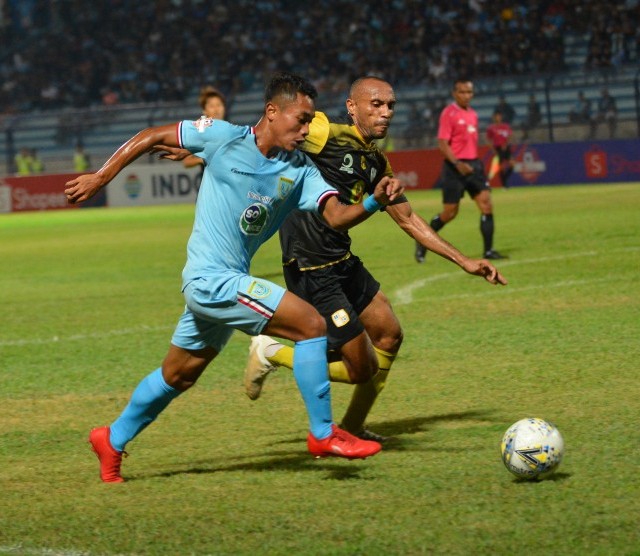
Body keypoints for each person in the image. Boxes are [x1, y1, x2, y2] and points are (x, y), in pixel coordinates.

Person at [64, 72, 402, 483]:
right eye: (301, 118)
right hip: (210, 279)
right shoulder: (223, 137)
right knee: (311, 325)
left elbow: (336, 216)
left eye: (311, 119)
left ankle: (110, 439)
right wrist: (101, 177)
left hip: (226, 283)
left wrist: (371, 200)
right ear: (272, 112)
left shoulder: (300, 171)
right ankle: (323, 434)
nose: (306, 128)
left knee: (179, 375)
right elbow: (153, 135)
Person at [243, 77, 506, 440]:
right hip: (310, 265)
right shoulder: (323, 132)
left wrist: (465, 261)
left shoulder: (377, 162)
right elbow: (270, 126)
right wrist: (206, 147)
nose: (385, 113)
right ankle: (271, 351)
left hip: (340, 258)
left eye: (391, 106)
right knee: (359, 367)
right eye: (376, 104)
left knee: (389, 335)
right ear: (352, 107)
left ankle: (353, 426)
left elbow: (409, 219)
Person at [415, 79, 505, 263]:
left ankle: (488, 251)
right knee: (450, 213)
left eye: (469, 92)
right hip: (454, 168)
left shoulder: (473, 114)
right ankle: (422, 242)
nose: (467, 95)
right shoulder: (449, 113)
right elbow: (442, 144)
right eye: (462, 92)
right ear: (455, 94)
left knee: (486, 205)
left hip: (474, 166)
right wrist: (457, 164)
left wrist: (472, 163)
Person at [182, 86, 227, 168]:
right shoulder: (201, 130)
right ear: (204, 111)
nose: (216, 109)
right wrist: (203, 160)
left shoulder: (231, 129)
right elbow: (187, 162)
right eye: (212, 106)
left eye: (219, 105)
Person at [485, 110, 514, 188]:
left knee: (512, 164)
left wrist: (506, 144)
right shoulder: (491, 128)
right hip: (497, 148)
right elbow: (488, 139)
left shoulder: (505, 126)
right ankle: (504, 185)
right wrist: (493, 149)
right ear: (494, 118)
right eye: (496, 116)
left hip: (506, 147)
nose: (498, 118)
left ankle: (505, 179)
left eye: (499, 116)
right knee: (501, 167)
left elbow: (510, 136)